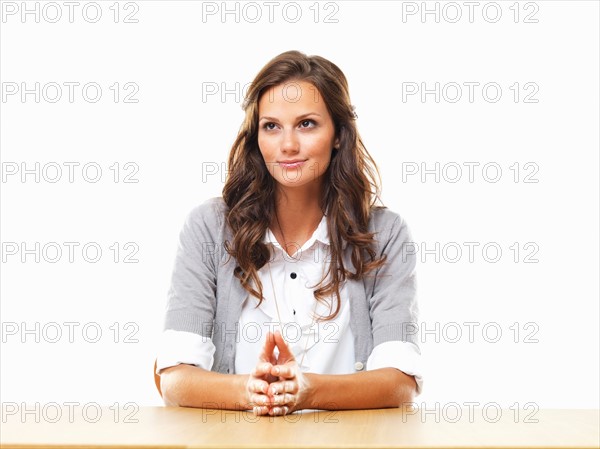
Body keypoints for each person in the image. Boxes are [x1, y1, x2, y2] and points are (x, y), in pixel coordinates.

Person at [156, 50, 422, 416]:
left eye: (307, 124)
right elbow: (173, 379)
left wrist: (307, 390)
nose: (288, 146)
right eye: (272, 126)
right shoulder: (208, 228)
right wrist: (249, 391)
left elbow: (400, 382)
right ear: (256, 136)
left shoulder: (384, 233)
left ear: (339, 134)